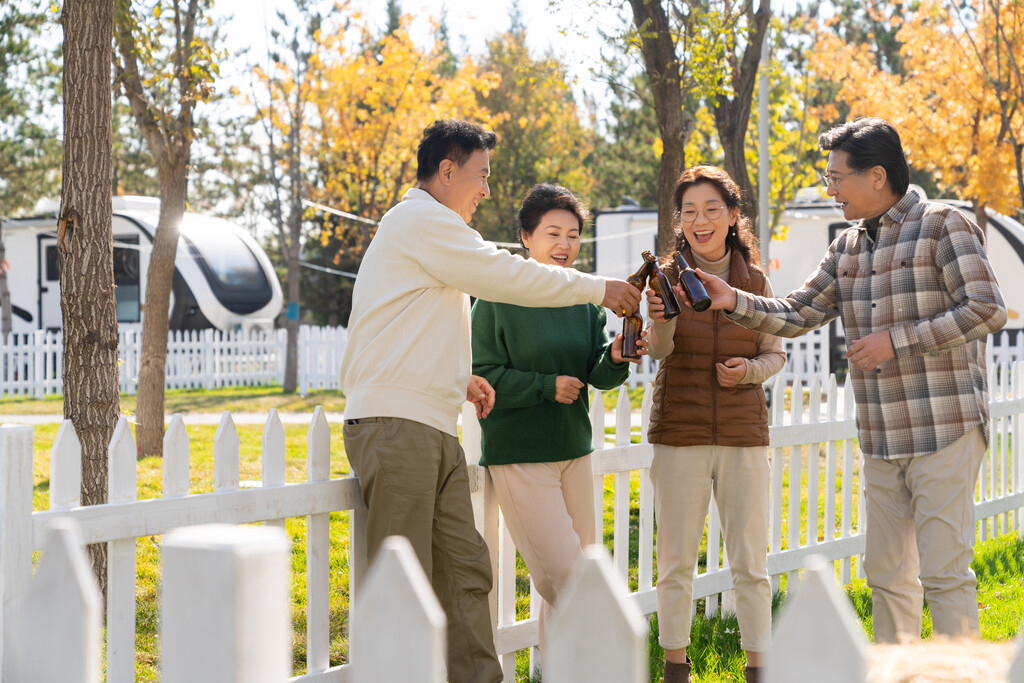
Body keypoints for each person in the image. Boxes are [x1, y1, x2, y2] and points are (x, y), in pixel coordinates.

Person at [339, 120, 641, 683]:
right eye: (479, 176)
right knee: (403, 582)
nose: (484, 189)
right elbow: (505, 277)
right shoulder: (420, 222)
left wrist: (460, 380)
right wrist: (600, 288)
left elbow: (412, 322)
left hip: (431, 423)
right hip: (394, 425)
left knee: (465, 570)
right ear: (447, 171)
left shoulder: (430, 232)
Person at [692, 118, 1007, 645]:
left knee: (944, 575)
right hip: (881, 437)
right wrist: (734, 300)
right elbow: (798, 311)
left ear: (877, 175)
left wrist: (897, 340)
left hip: (945, 428)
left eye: (837, 177)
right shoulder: (848, 247)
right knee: (887, 576)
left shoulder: (943, 223)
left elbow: (987, 309)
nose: (830, 188)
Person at [471, 184, 640, 649]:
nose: (564, 245)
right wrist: (545, 386)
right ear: (525, 237)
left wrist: (618, 356)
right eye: (552, 234)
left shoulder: (584, 301)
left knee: (573, 577)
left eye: (572, 235)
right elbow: (480, 375)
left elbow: (597, 376)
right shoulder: (495, 298)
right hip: (521, 456)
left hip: (574, 453)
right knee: (569, 581)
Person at [644, 166, 785, 683]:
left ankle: (758, 668)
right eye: (689, 212)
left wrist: (747, 372)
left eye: (711, 209)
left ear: (731, 216)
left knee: (750, 562)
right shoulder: (665, 277)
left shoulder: (756, 281)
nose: (700, 220)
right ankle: (675, 668)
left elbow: (775, 355)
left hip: (744, 435)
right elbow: (658, 353)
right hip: (679, 433)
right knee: (676, 562)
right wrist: (663, 319)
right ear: (679, 220)